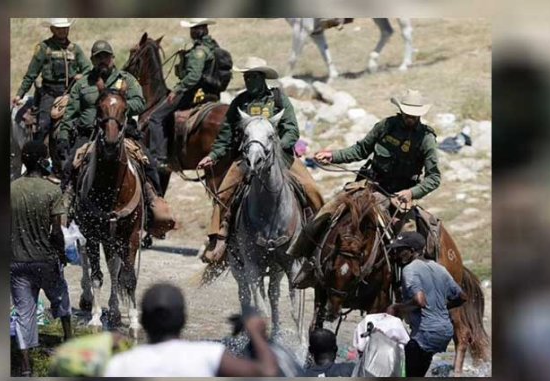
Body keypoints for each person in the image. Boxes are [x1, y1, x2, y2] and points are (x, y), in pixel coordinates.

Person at [287, 89, 441, 286]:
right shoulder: (386, 126)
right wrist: (332, 156)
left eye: (414, 114)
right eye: (408, 113)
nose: (411, 118)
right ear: (401, 111)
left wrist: (412, 192)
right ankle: (303, 262)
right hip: (370, 185)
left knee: (409, 242)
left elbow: (434, 177)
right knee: (326, 212)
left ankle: (404, 286)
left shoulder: (426, 138)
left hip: (399, 196)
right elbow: (360, 150)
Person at [196, 57, 324, 264]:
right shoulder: (240, 102)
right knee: (224, 193)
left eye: (252, 76)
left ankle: (317, 236)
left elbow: (292, 129)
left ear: (262, 77)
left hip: (281, 156)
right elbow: (226, 135)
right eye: (246, 76)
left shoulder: (279, 99)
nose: (247, 80)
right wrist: (213, 156)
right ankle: (218, 240)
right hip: (246, 158)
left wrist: (278, 146)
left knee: (311, 188)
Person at [56, 40, 167, 210]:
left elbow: (140, 103)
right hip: (88, 136)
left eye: (106, 57)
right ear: (92, 60)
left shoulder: (126, 80)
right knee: (70, 167)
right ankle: (65, 207)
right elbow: (70, 114)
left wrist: (119, 108)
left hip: (123, 134)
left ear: (113, 58)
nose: (103, 61)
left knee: (149, 164)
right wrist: (63, 137)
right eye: (98, 57)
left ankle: (154, 204)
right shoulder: (82, 84)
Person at [104, 283, 279, 377]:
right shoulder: (208, 354)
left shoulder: (119, 364)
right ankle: (221, 240)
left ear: (142, 320)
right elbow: (268, 372)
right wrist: (257, 334)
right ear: (183, 320)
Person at [10, 141, 72, 376]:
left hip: (16, 262)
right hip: (45, 261)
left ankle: (26, 369)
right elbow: (56, 231)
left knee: (24, 314)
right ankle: (70, 346)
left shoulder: (11, 189)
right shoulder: (51, 191)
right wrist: (62, 253)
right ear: (43, 160)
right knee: (62, 300)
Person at [384, 232, 467, 377]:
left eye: (400, 250)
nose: (396, 254)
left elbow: (419, 300)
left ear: (411, 251)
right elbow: (462, 296)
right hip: (445, 331)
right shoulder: (440, 268)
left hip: (425, 333)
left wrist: (396, 307)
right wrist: (442, 307)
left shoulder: (409, 269)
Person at [148, 18, 222, 167]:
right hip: (208, 93)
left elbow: (193, 77)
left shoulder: (199, 51)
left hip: (192, 93)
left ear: (201, 30)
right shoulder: (211, 46)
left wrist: (176, 90)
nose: (191, 32)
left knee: (155, 117)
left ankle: (159, 158)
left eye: (193, 29)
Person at [11, 18, 91, 143]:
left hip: (71, 93)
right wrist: (19, 94)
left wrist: (81, 75)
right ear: (52, 29)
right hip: (49, 94)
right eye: (59, 28)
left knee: (87, 120)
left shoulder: (75, 49)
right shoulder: (44, 48)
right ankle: (39, 155)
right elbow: (31, 74)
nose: (63, 31)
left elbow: (88, 69)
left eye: (65, 28)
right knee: (43, 126)